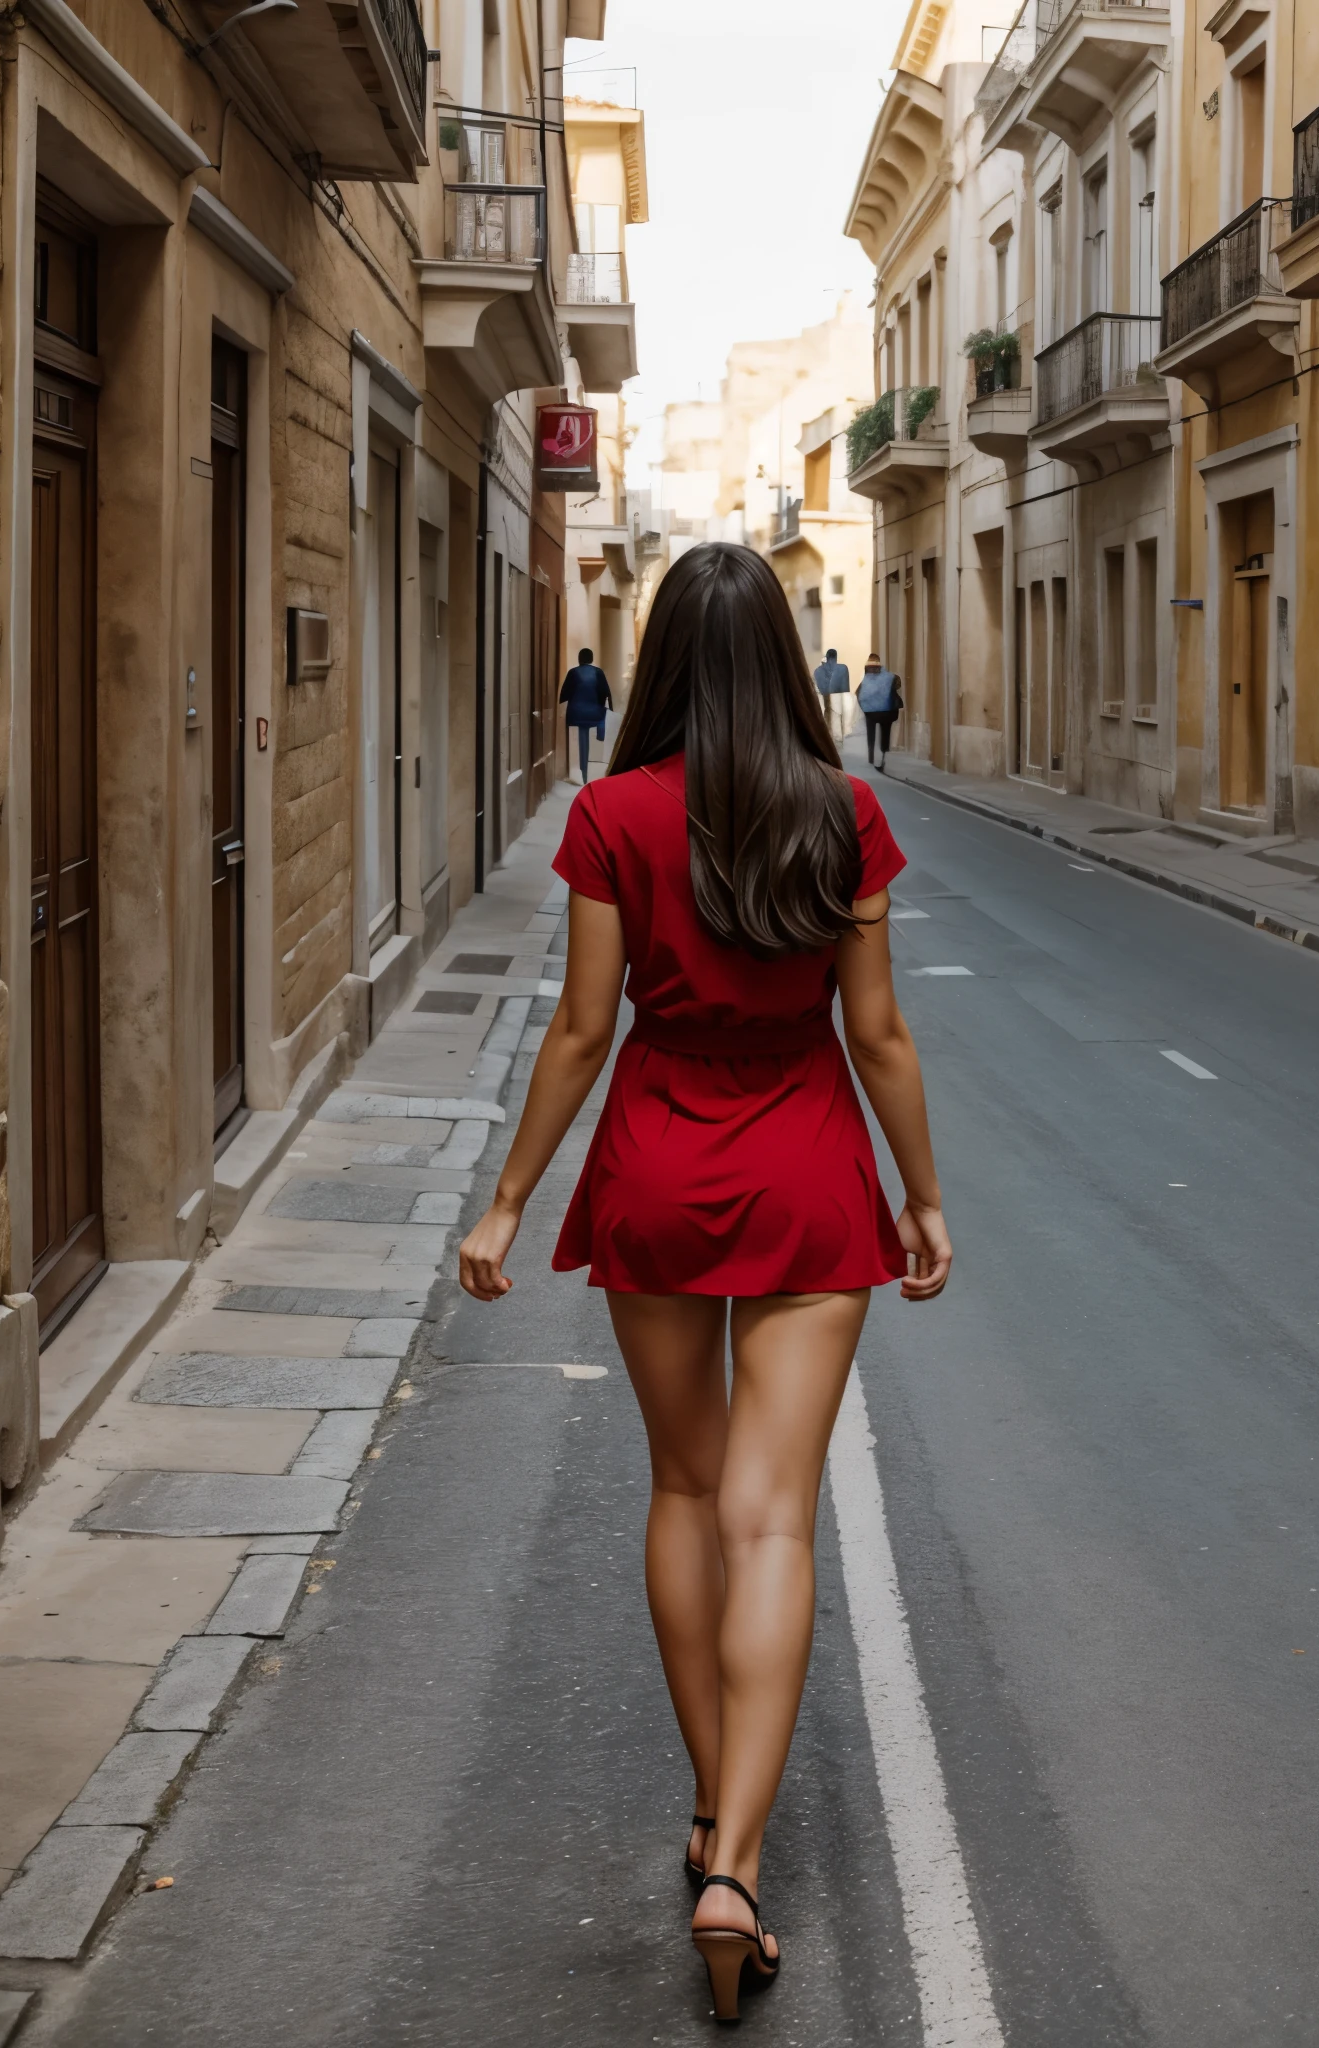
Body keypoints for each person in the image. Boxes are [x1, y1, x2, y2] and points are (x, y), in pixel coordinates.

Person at [458, 543, 952, 2024]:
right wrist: (921, 1195)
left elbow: (581, 1030)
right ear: (790, 666)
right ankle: (738, 1858)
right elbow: (877, 1038)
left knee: (683, 1492)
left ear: (664, 657)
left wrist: (504, 1200)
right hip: (807, 1169)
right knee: (772, 1515)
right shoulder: (845, 813)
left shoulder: (612, 816)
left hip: (660, 1170)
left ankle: (704, 1811)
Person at [560, 647, 614, 781]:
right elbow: (605, 693)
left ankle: (583, 771)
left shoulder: (573, 673)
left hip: (576, 715)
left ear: (579, 659)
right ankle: (591, 770)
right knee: (590, 736)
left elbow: (564, 695)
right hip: (595, 715)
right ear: (591, 659)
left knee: (581, 738)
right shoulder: (598, 672)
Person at [857, 653, 902, 770]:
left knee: (871, 736)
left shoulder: (866, 678)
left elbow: (859, 694)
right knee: (885, 734)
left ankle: (871, 759)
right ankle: (884, 758)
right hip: (886, 711)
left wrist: (865, 707)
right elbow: (898, 684)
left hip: (870, 712)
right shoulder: (890, 677)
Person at [813, 646, 853, 744]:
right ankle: (839, 738)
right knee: (839, 716)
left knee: (828, 714)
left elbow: (819, 686)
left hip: (825, 696)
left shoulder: (817, 670)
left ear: (827, 657)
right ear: (835, 657)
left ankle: (828, 737)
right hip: (839, 696)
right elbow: (845, 687)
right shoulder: (843, 668)